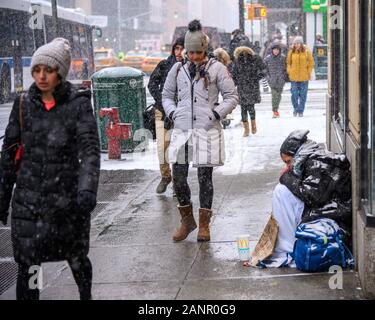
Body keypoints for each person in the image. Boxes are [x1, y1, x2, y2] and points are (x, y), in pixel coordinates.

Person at [0, 38, 100, 300]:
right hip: (28, 205)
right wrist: (2, 199)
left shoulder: (78, 105)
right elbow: (9, 155)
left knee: (77, 259)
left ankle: (85, 296)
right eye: (37, 70)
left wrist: (87, 190)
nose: (41, 76)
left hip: (67, 202)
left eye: (49, 70)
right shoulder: (23, 105)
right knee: (30, 267)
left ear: (61, 73)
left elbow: (90, 151)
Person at [162, 20, 238, 242]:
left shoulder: (217, 69)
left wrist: (215, 114)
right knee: (178, 177)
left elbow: (232, 97)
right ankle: (187, 221)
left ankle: (204, 225)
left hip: (207, 131)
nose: (193, 57)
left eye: (197, 52)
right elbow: (167, 95)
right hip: (182, 130)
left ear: (204, 50)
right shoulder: (178, 69)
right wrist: (173, 112)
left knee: (205, 178)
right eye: (190, 52)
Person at [265, 130, 352, 267]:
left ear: (298, 153)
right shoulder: (312, 160)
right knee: (283, 193)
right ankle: (287, 245)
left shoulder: (318, 162)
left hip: (336, 218)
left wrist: (286, 177)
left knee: (281, 192)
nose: (288, 166)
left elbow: (311, 196)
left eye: (288, 161)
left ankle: (287, 248)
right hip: (330, 210)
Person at [148, 37, 185, 194]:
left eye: (181, 48)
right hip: (162, 113)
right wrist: (161, 100)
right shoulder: (164, 65)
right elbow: (152, 84)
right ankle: (165, 176)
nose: (178, 52)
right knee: (162, 147)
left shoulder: (189, 67)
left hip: (181, 114)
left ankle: (178, 182)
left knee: (178, 149)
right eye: (176, 48)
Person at [232, 46, 266, 137]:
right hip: (249, 86)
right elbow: (264, 69)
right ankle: (250, 128)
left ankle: (247, 129)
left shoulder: (239, 60)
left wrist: (235, 83)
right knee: (250, 108)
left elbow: (234, 74)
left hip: (245, 86)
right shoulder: (253, 59)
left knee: (244, 108)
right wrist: (257, 77)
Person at [286, 37, 314, 117]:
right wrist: (289, 71)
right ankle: (295, 108)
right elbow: (288, 62)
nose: (296, 45)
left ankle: (300, 111)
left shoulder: (306, 51)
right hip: (294, 77)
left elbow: (311, 62)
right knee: (294, 95)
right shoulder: (291, 51)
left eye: (298, 43)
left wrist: (308, 72)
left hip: (304, 77)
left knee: (303, 96)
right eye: (295, 43)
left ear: (301, 44)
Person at [264, 42, 288, 118]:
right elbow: (264, 69)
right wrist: (268, 77)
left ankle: (275, 109)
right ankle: (275, 110)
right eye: (274, 50)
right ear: (272, 50)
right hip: (272, 80)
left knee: (279, 95)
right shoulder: (268, 58)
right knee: (274, 95)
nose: (276, 51)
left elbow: (286, 68)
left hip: (281, 80)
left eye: (277, 50)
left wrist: (284, 77)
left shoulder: (283, 58)